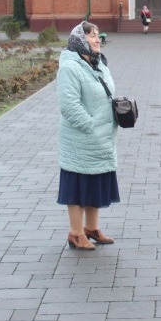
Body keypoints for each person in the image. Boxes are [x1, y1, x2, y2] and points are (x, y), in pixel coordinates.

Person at [56, 21, 119, 250]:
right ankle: (75, 233)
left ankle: (92, 229)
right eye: (92, 36)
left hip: (101, 137)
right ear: (79, 41)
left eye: (98, 36)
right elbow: (69, 105)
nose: (97, 39)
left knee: (95, 181)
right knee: (77, 185)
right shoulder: (70, 67)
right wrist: (91, 126)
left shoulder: (98, 64)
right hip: (82, 138)